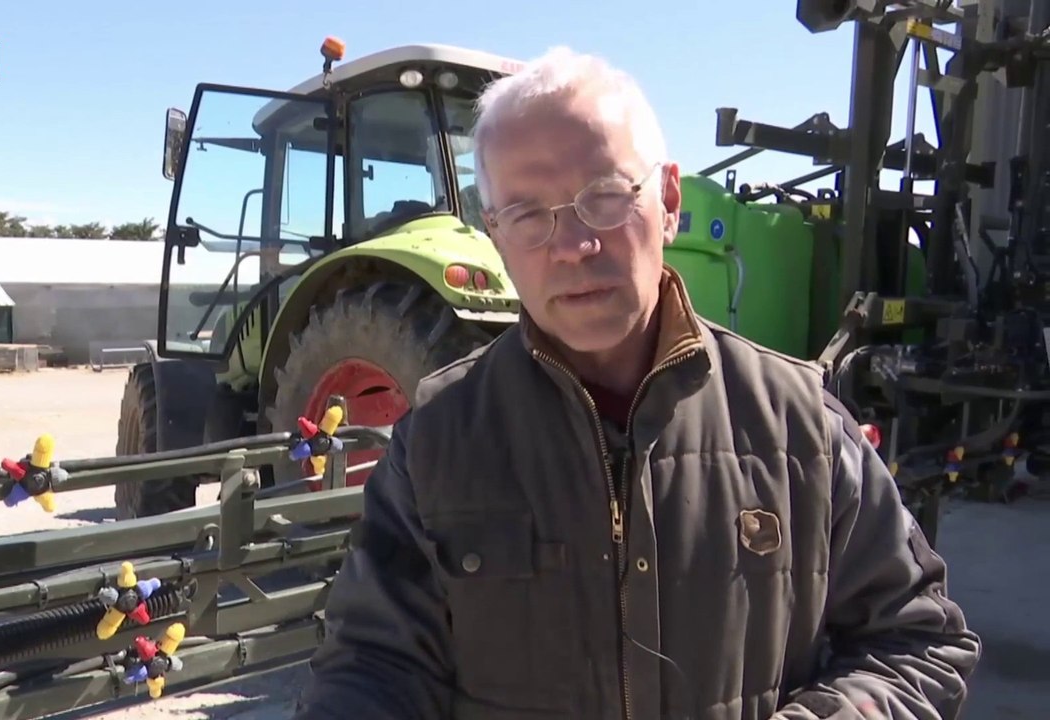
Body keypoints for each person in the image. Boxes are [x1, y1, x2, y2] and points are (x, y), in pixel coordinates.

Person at [293, 46, 980, 720]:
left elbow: (917, 642)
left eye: (604, 196)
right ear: (495, 235)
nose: (572, 246)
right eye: (529, 216)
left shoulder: (801, 429)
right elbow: (371, 666)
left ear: (670, 199)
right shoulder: (437, 443)